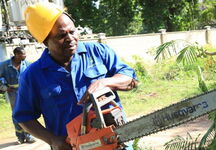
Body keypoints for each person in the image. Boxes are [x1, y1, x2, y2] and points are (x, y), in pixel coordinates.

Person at [12, 2, 138, 150]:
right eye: (61, 35)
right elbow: (24, 116)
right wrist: (52, 140)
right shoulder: (32, 75)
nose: (70, 38)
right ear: (45, 41)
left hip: (115, 143)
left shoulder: (99, 52)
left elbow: (131, 80)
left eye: (72, 31)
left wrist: (106, 83)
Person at [0, 47, 35, 144]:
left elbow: (32, 77)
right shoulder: (4, 65)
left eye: (25, 54)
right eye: (22, 54)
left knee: (28, 112)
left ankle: (29, 136)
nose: (25, 56)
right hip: (13, 93)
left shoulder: (27, 64)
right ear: (15, 54)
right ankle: (20, 137)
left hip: (26, 93)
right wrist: (4, 87)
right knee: (17, 114)